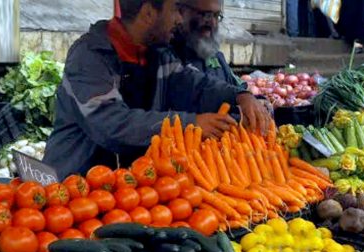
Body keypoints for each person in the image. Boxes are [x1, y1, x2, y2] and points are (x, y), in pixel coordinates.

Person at [44, 0, 270, 178]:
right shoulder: (90, 57)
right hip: (72, 191)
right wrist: (190, 124)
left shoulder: (157, 55)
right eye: (175, 9)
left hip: (130, 191)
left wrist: (240, 95)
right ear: (149, 13)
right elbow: (112, 124)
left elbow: (197, 86)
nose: (179, 19)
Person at [171, 0, 240, 86]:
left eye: (216, 16)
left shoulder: (217, 58)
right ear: (182, 12)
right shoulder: (168, 58)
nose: (213, 23)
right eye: (206, 15)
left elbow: (239, 88)